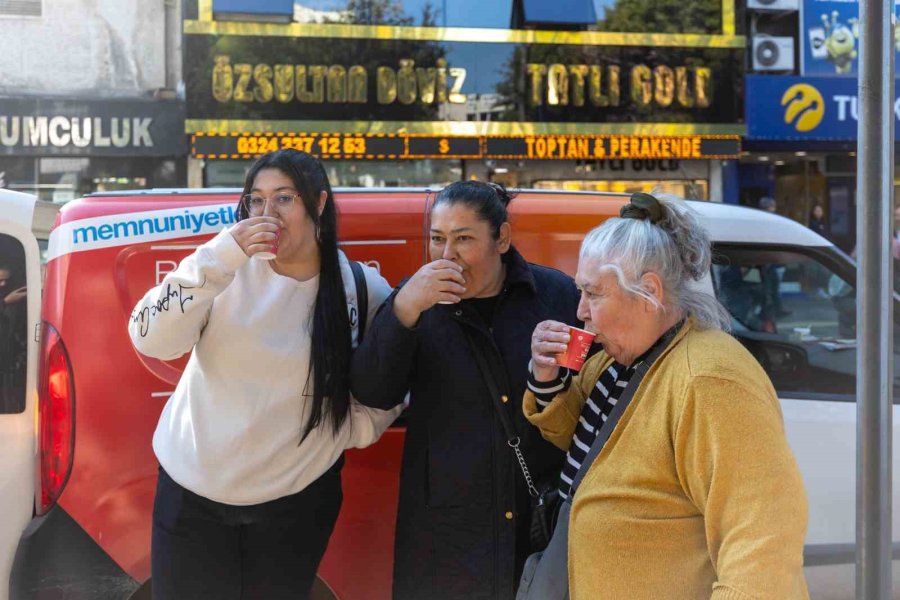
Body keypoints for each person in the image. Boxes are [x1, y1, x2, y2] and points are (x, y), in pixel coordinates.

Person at [128, 149, 401, 600]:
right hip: (190, 496)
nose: (266, 214)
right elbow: (148, 336)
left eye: (284, 199)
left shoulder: (358, 285)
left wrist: (349, 430)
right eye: (256, 201)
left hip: (297, 503)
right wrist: (220, 254)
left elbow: (393, 376)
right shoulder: (225, 271)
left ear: (319, 203)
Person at [525, 192, 809, 599]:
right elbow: (582, 442)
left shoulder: (709, 378)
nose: (581, 310)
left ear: (650, 291)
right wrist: (545, 376)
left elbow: (762, 544)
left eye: (594, 293)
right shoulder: (614, 358)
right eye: (580, 292)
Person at [349, 181, 580, 600]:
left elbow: (588, 403)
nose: (446, 256)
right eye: (438, 239)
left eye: (464, 239)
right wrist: (403, 311)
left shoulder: (556, 296)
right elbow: (372, 392)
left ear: (502, 239)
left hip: (535, 529)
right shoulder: (415, 303)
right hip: (448, 538)